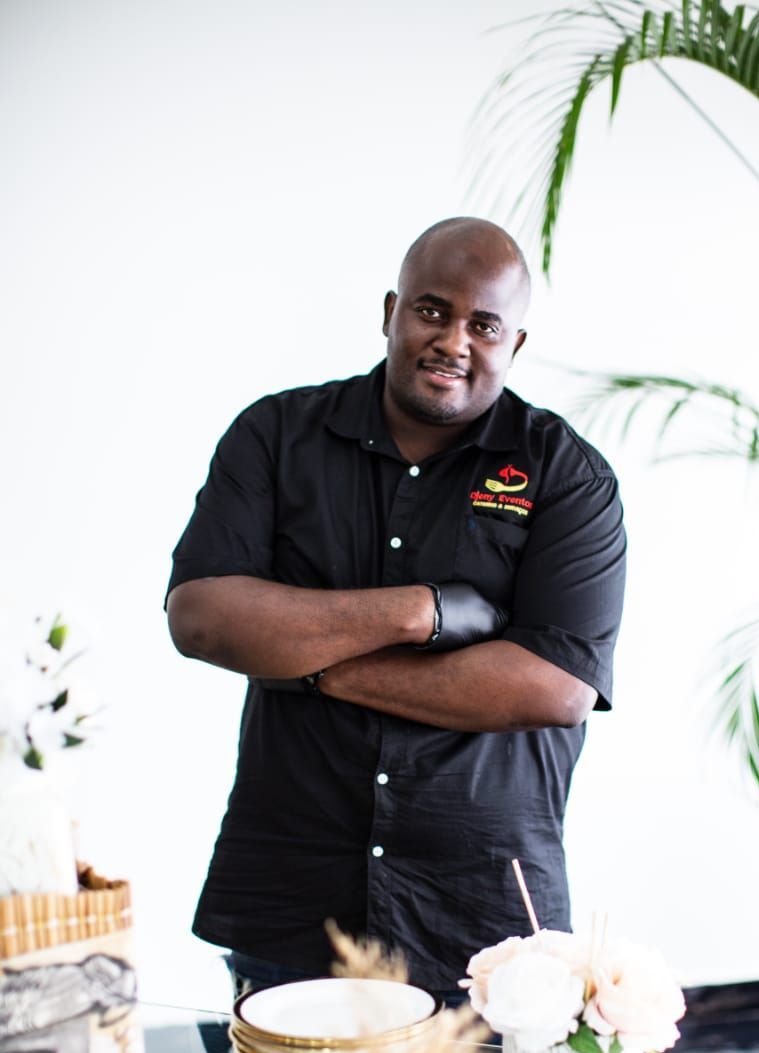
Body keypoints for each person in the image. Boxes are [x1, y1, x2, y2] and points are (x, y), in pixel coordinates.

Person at [166, 216, 626, 1004]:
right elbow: (204, 618)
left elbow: (551, 688)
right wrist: (421, 613)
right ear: (390, 311)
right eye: (431, 310)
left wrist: (312, 667)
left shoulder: (562, 473)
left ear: (513, 345)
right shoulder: (277, 436)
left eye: (482, 324)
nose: (453, 339)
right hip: (294, 898)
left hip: (487, 925)